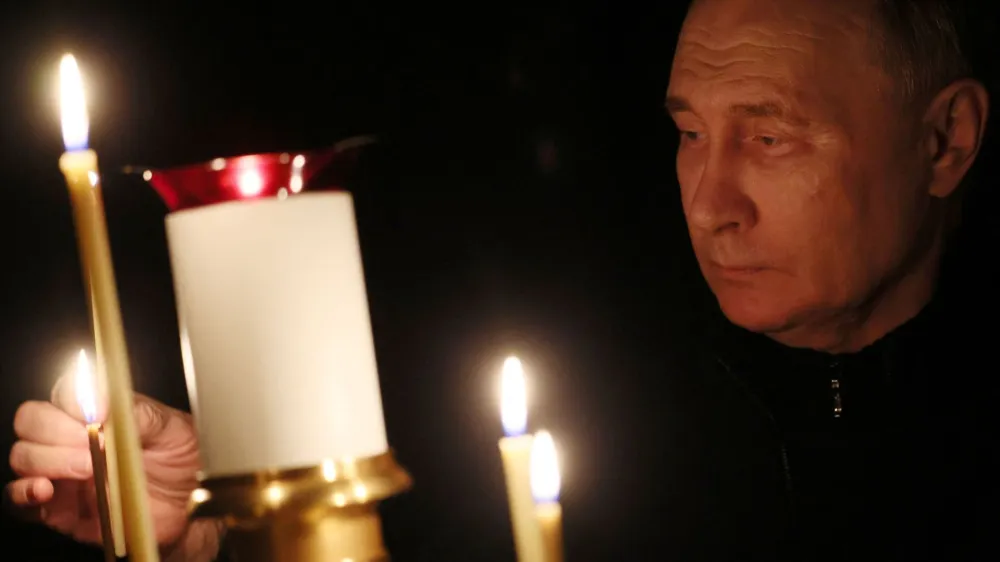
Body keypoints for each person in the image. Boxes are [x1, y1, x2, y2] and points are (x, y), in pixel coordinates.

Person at [5, 0, 995, 560]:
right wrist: (217, 525)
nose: (707, 200)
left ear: (943, 140)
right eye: (688, 133)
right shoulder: (545, 411)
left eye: (770, 137)